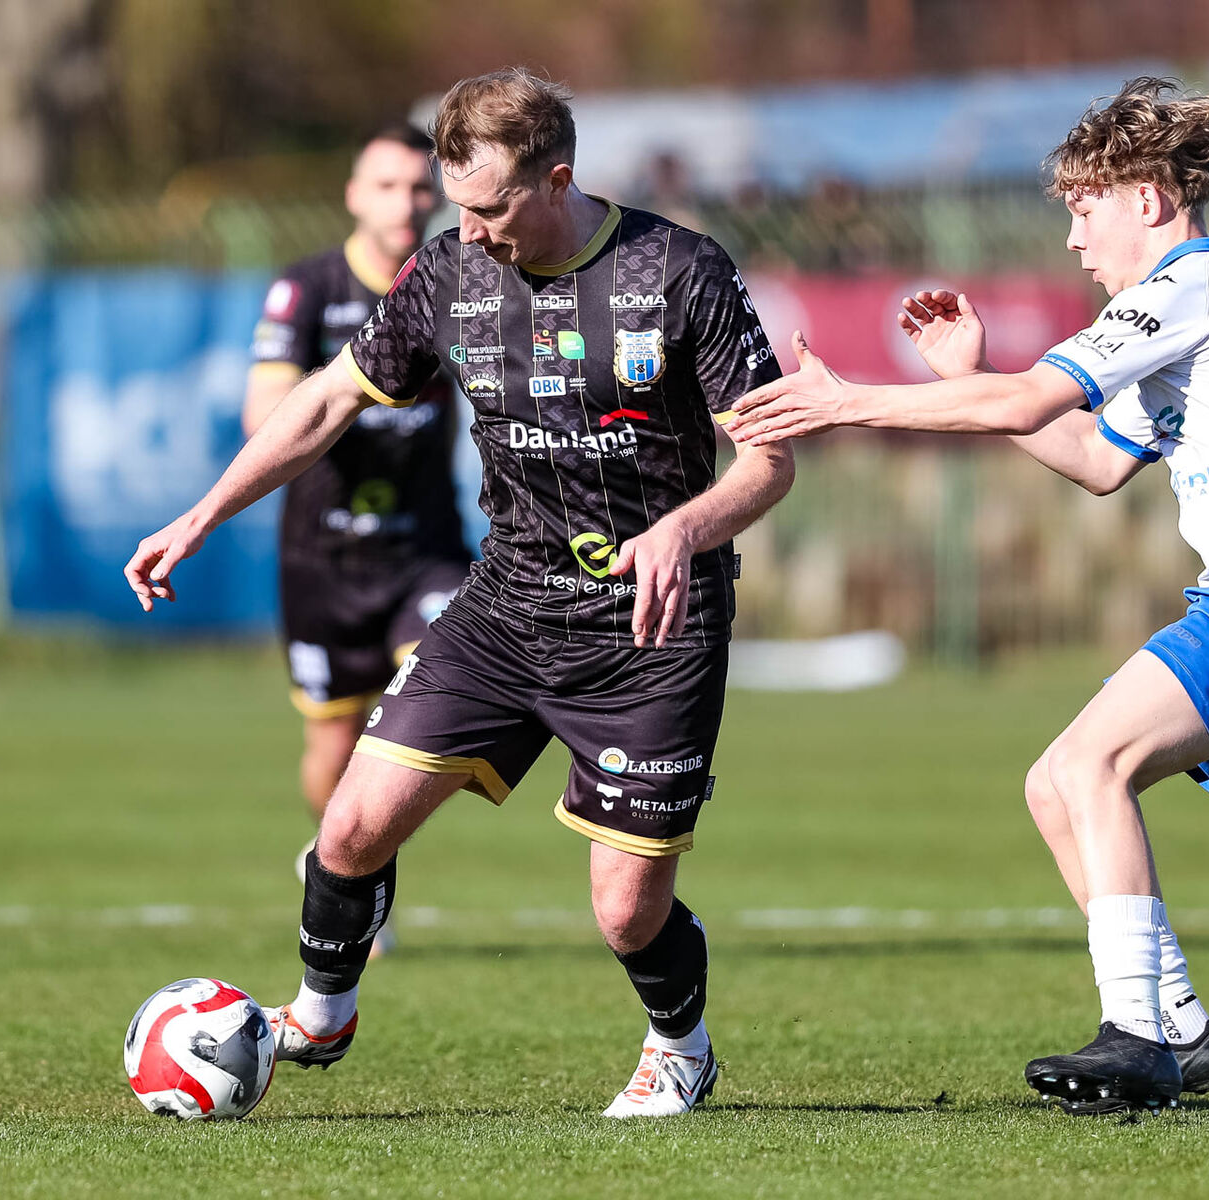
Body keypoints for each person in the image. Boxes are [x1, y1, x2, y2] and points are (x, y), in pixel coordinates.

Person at [126, 68, 792, 1118]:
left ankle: (681, 1047)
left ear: (556, 178)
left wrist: (682, 528)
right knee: (348, 830)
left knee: (624, 911)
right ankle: (324, 1007)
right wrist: (200, 515)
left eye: (489, 208)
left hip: (653, 624)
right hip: (507, 603)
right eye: (456, 208)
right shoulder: (446, 275)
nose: (469, 231)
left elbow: (768, 462)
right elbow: (327, 402)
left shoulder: (677, 270)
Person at [725, 77, 1209, 1115]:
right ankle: (1179, 1029)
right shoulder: (1202, 305)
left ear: (1150, 201)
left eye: (1084, 207)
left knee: (1091, 766)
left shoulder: (1181, 293)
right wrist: (970, 370)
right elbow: (1091, 458)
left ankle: (1138, 1038)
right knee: (1055, 784)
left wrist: (848, 398)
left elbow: (1035, 401)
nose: (1073, 238)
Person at [245, 126, 472, 952]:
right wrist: (351, 395)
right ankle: (337, 858)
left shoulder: (459, 279)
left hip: (427, 547)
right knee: (332, 741)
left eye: (420, 188)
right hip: (325, 556)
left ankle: (362, 851)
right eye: (387, 186)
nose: (406, 203)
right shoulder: (307, 289)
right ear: (353, 194)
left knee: (444, 690)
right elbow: (261, 417)